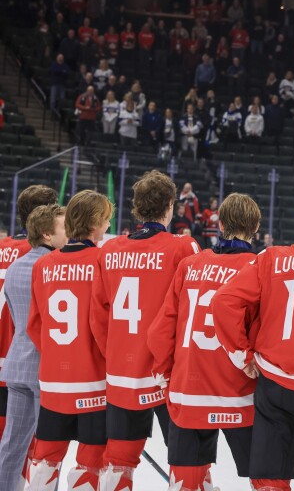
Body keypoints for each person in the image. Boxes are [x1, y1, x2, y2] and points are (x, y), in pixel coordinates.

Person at [213, 194, 294, 491]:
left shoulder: (271, 257)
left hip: (275, 385)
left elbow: (223, 301)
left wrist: (241, 355)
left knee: (269, 481)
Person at [91, 171, 200, 491]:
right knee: (187, 462)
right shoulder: (183, 248)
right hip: (170, 374)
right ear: (170, 205)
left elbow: (97, 317)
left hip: (122, 373)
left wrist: (113, 356)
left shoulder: (109, 251)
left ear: (137, 207)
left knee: (118, 462)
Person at [148, 193, 262, 491]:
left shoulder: (190, 265)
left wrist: (164, 375)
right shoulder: (258, 267)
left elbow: (161, 330)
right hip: (240, 393)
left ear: (220, 223)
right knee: (267, 479)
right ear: (256, 227)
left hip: (188, 391)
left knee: (185, 482)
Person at [25, 191, 111, 489]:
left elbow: (35, 324)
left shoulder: (43, 265)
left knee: (45, 459)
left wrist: (55, 355)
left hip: (53, 381)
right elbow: (104, 324)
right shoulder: (103, 259)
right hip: (94, 380)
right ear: (95, 224)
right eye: (106, 221)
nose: (107, 228)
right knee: (91, 461)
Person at [0, 186, 60, 491]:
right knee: (47, 449)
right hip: (41, 367)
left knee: (11, 444)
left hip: (13, 362)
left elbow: (14, 312)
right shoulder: (48, 264)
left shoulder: (12, 260)